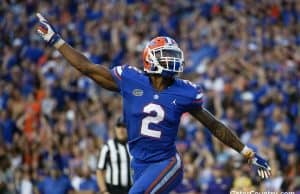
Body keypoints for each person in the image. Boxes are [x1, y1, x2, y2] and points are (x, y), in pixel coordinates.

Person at [36, 13, 271, 194]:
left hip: (167, 163)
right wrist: (56, 41)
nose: (174, 60)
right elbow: (87, 68)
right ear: (151, 59)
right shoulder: (130, 79)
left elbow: (214, 125)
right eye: (166, 55)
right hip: (139, 163)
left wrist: (247, 152)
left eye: (174, 55)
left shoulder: (185, 92)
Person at [96, 117, 132, 194]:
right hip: (113, 190)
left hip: (131, 189)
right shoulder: (108, 147)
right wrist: (104, 191)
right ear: (115, 128)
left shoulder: (133, 146)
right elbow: (99, 171)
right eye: (119, 126)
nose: (121, 130)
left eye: (124, 126)